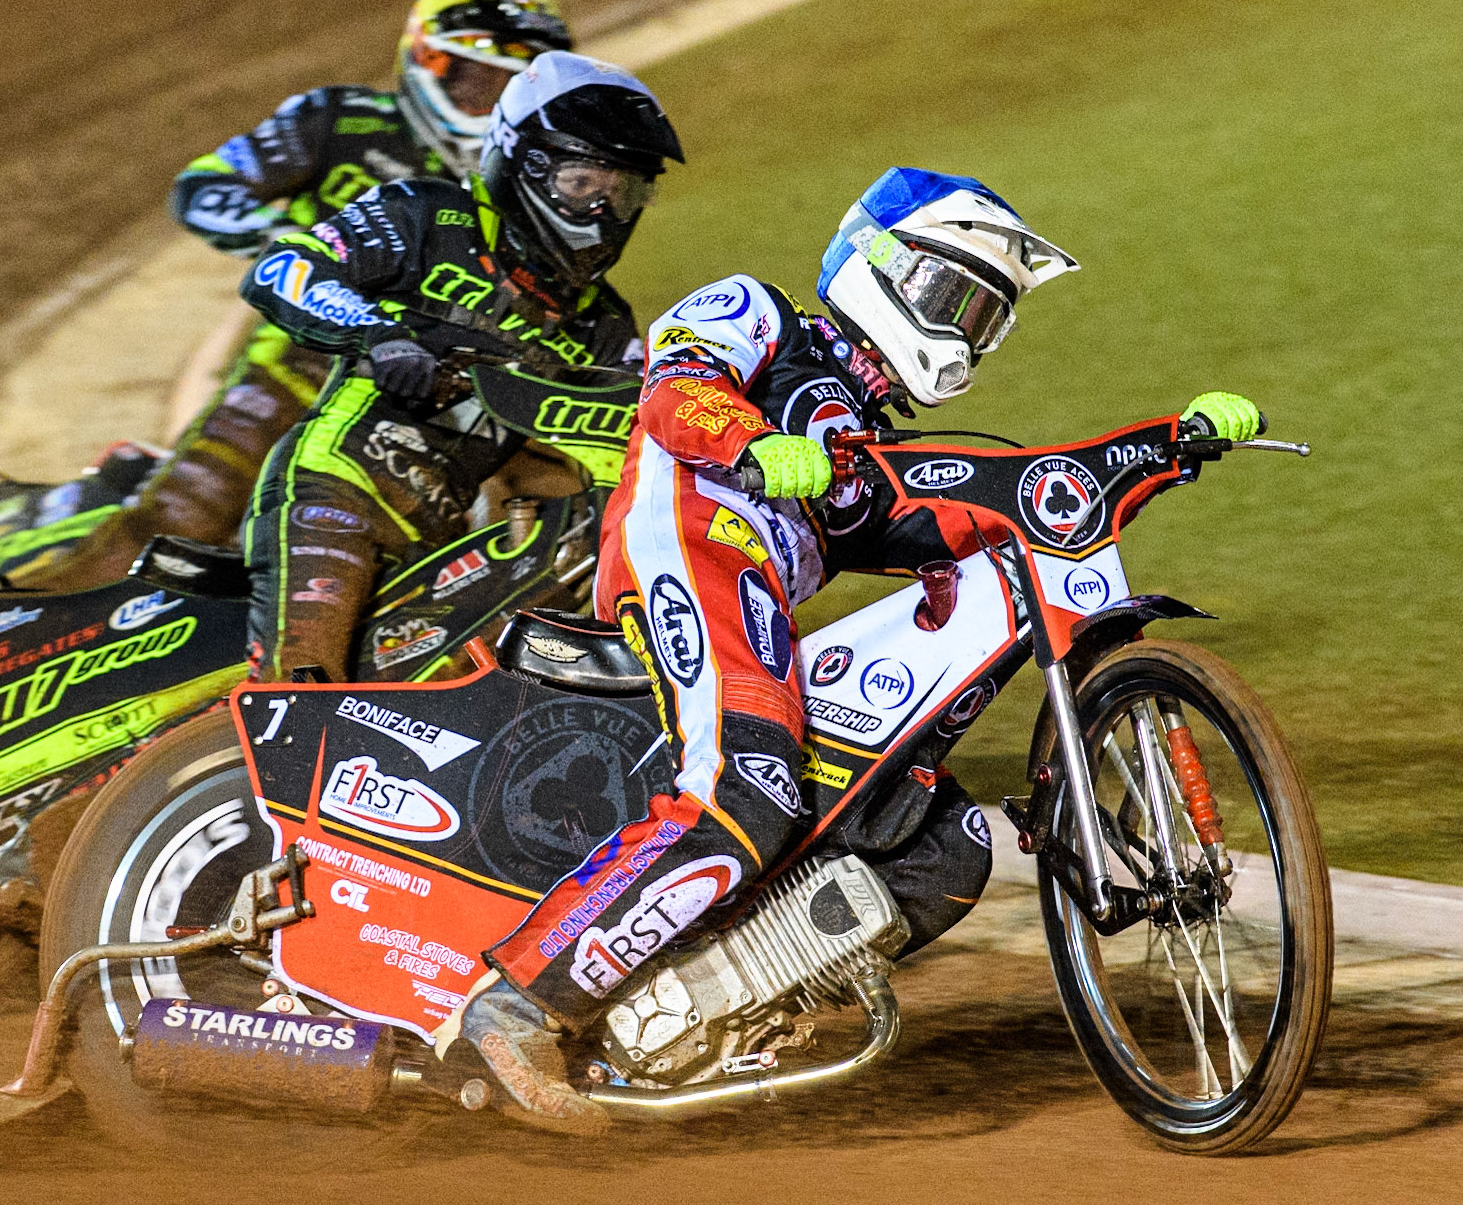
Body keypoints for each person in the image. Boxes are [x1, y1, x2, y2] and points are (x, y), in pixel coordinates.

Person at [458, 166, 1265, 1133]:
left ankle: (680, 1009)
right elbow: (675, 389)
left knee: (944, 848)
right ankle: (520, 1006)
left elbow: (972, 505)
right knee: (746, 788)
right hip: (686, 547)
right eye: (952, 296)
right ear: (878, 265)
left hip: (753, 594)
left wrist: (1158, 447)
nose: (963, 330)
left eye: (984, 316)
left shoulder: (862, 444)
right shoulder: (759, 312)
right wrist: (748, 440)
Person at [235, 50, 683, 681]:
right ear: (523, 164)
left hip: (442, 548)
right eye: (582, 185)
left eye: (622, 193)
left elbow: (632, 447)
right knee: (302, 692)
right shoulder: (426, 214)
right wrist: (382, 336)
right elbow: (283, 269)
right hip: (336, 494)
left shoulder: (604, 326)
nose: (602, 214)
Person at [124, 0, 572, 551]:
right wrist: (294, 243)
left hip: (447, 393)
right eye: (476, 80)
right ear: (427, 59)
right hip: (300, 362)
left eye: (506, 89)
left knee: (538, 520)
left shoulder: (533, 181)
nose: (485, 103)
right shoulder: (339, 118)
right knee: (182, 516)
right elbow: (203, 188)